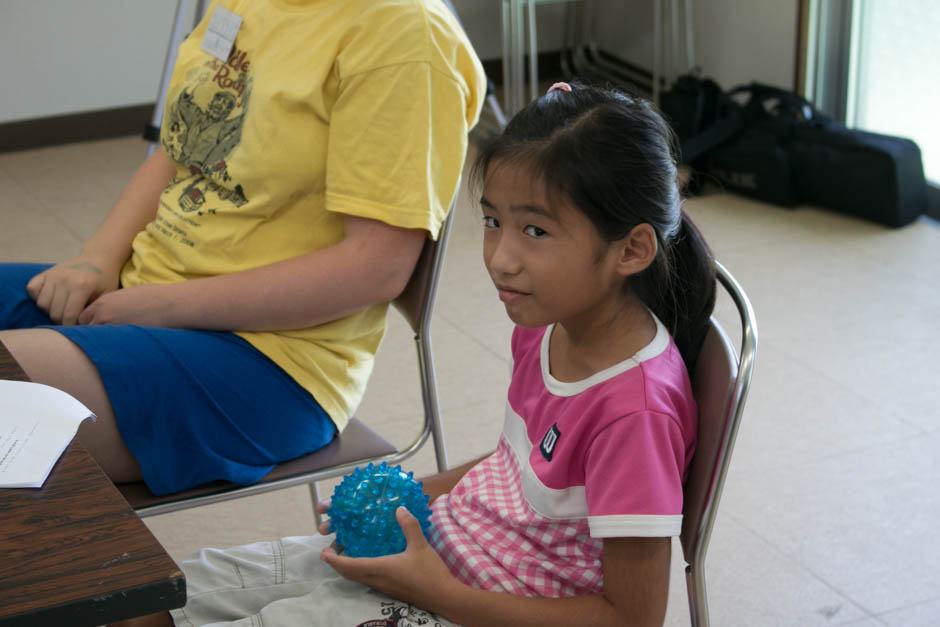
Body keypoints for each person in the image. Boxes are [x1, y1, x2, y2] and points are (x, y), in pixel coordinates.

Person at [113, 82, 716, 627]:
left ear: (632, 249)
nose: (500, 257)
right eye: (492, 221)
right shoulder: (549, 323)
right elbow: (522, 467)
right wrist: (413, 493)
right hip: (443, 557)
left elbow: (633, 620)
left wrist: (435, 590)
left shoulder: (634, 413)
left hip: (467, 605)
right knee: (158, 597)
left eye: (534, 231)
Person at [0, 0, 486, 495]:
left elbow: (375, 268)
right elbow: (178, 154)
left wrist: (158, 306)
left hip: (272, 363)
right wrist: (95, 260)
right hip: (148, 291)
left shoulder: (404, 35)